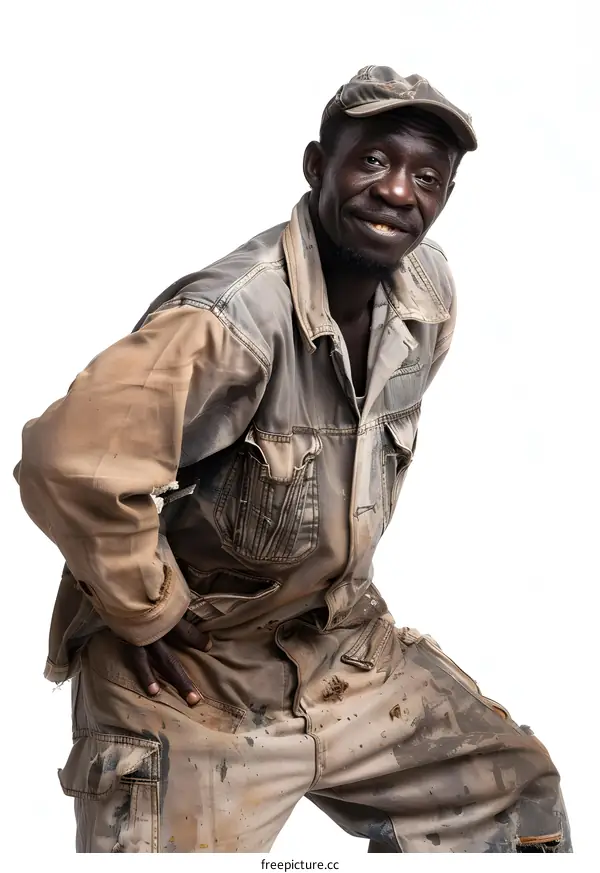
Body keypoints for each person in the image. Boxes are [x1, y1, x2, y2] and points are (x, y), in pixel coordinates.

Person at [15, 65, 571, 853]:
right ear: (318, 166)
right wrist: (144, 609)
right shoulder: (231, 317)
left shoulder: (426, 292)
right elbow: (70, 460)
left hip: (338, 651)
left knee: (516, 803)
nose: (397, 192)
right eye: (372, 160)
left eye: (428, 177)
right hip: (192, 680)